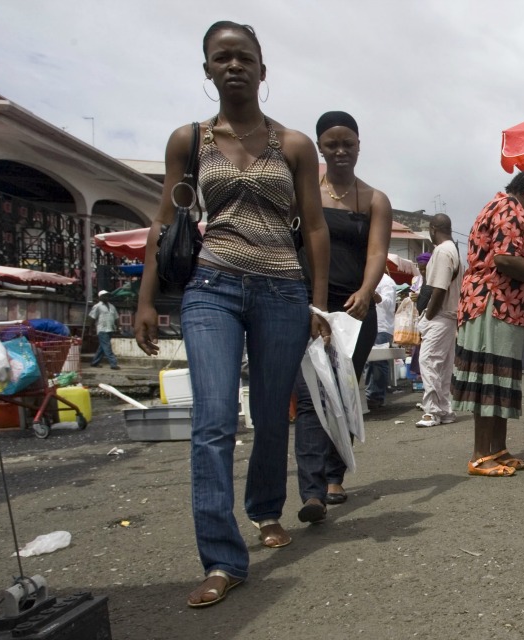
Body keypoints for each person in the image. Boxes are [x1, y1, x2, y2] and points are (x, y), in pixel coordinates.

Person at [134, 21, 330, 609]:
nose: (234, 66)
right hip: (211, 286)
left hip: (282, 292)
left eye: (244, 57)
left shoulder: (293, 144)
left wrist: (317, 301)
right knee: (213, 420)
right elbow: (165, 225)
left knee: (272, 414)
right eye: (222, 58)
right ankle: (222, 558)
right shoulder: (187, 141)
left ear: (263, 71)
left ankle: (266, 510)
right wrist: (146, 300)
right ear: (207, 70)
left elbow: (315, 227)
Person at [294, 110, 393, 524]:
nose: (339, 151)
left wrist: (366, 292)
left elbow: (376, 253)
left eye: (347, 143)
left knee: (344, 392)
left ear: (358, 146)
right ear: (320, 147)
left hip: (356, 308)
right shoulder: (303, 193)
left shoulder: (374, 199)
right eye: (331, 144)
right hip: (307, 302)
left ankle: (335, 476)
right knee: (309, 395)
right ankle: (312, 492)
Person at [451, 171, 524, 476]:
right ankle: (479, 456)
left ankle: (497, 450)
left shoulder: (505, 208)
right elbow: (504, 259)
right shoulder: (509, 207)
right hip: (493, 303)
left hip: (505, 308)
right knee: (489, 378)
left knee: (500, 380)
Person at [414, 214, 461, 427]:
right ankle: (444, 411)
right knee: (442, 365)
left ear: (433, 228)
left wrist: (429, 314)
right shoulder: (454, 250)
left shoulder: (442, 251)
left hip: (441, 314)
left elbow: (439, 288)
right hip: (449, 316)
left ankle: (431, 411)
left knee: (429, 361)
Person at [365, 271, 398, 409]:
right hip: (368, 325)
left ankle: (377, 397)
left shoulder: (387, 282)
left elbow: (389, 304)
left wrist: (373, 293)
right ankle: (369, 395)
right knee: (368, 362)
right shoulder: (366, 279)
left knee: (379, 362)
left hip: (382, 327)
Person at [406, 251, 431, 389]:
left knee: (427, 354)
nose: (422, 271)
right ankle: (421, 379)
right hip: (419, 319)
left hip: (430, 319)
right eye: (420, 268)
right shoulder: (416, 280)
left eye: (424, 268)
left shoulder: (434, 279)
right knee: (418, 351)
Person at [88, 291, 120, 369]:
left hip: (110, 329)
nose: (107, 297)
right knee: (107, 347)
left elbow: (116, 318)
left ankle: (94, 362)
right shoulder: (97, 306)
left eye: (108, 296)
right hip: (102, 329)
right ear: (100, 297)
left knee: (102, 348)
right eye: (105, 296)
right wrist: (90, 329)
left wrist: (118, 327)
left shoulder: (112, 306)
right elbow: (92, 318)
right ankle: (113, 364)